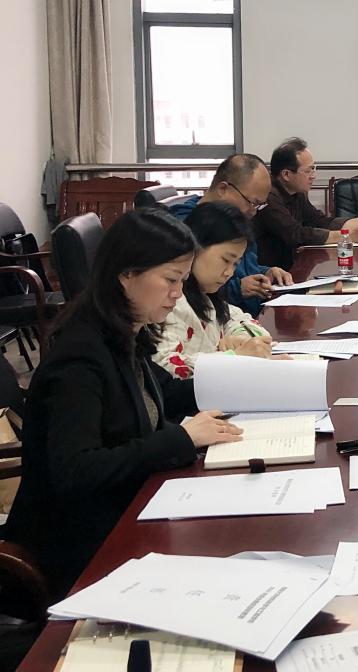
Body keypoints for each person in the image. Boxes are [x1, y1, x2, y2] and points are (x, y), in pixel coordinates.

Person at [4, 208, 243, 597]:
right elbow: (75, 471)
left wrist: (246, 380)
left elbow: (167, 393)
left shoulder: (127, 330)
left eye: (182, 280)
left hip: (128, 508)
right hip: (79, 544)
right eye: (170, 279)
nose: (177, 293)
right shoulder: (79, 357)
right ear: (126, 274)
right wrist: (182, 438)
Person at [155, 202, 274, 378]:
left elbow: (237, 318)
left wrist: (241, 338)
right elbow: (165, 369)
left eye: (235, 264)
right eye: (226, 260)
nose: (229, 272)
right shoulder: (171, 301)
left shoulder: (206, 296)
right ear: (196, 246)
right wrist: (234, 357)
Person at [168, 153, 292, 315]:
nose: (253, 212)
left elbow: (243, 267)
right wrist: (237, 288)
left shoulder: (237, 222)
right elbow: (189, 287)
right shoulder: (185, 227)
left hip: (249, 315)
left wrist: (265, 272)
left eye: (259, 206)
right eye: (252, 203)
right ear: (223, 188)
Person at [254, 137, 358, 269]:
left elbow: (318, 220)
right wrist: (346, 236)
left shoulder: (297, 192)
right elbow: (295, 234)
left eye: (314, 168)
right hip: (270, 271)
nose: (313, 176)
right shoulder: (268, 195)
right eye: (308, 171)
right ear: (286, 175)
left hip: (291, 266)